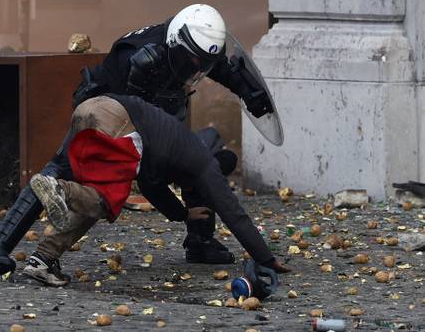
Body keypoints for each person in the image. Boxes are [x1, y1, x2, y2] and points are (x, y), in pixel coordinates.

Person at [0, 4, 274, 280]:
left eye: (201, 63)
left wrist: (250, 93)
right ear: (175, 45)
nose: (195, 69)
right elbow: (141, 147)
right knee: (80, 180)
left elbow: (217, 64)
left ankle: (200, 241)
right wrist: (170, 198)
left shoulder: (192, 43)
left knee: (194, 161)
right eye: (191, 61)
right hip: (107, 114)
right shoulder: (141, 58)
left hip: (143, 119)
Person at [25, 94, 289, 287]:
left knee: (95, 200)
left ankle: (43, 258)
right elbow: (233, 211)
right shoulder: (205, 163)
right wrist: (265, 258)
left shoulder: (175, 148)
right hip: (117, 120)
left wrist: (183, 214)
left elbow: (153, 188)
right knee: (106, 200)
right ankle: (59, 188)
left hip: (91, 107)